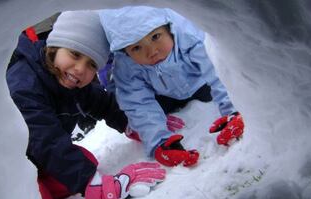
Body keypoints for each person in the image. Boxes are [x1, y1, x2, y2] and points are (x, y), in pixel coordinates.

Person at [5, 10, 166, 199]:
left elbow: (103, 103)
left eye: (91, 64)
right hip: (8, 168)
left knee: (85, 162)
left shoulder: (68, 77)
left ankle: (41, 180)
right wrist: (94, 183)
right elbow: (45, 139)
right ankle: (26, 191)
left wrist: (139, 124)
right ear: (54, 47)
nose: (80, 69)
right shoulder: (24, 82)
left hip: (37, 159)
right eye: (75, 54)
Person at [98, 6, 245, 167]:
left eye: (155, 37)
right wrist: (159, 143)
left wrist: (234, 109)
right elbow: (138, 103)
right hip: (164, 95)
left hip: (201, 83)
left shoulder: (188, 35)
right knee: (145, 108)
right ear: (124, 52)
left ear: (168, 28)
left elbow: (217, 71)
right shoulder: (126, 65)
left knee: (210, 90)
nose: (152, 51)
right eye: (136, 48)